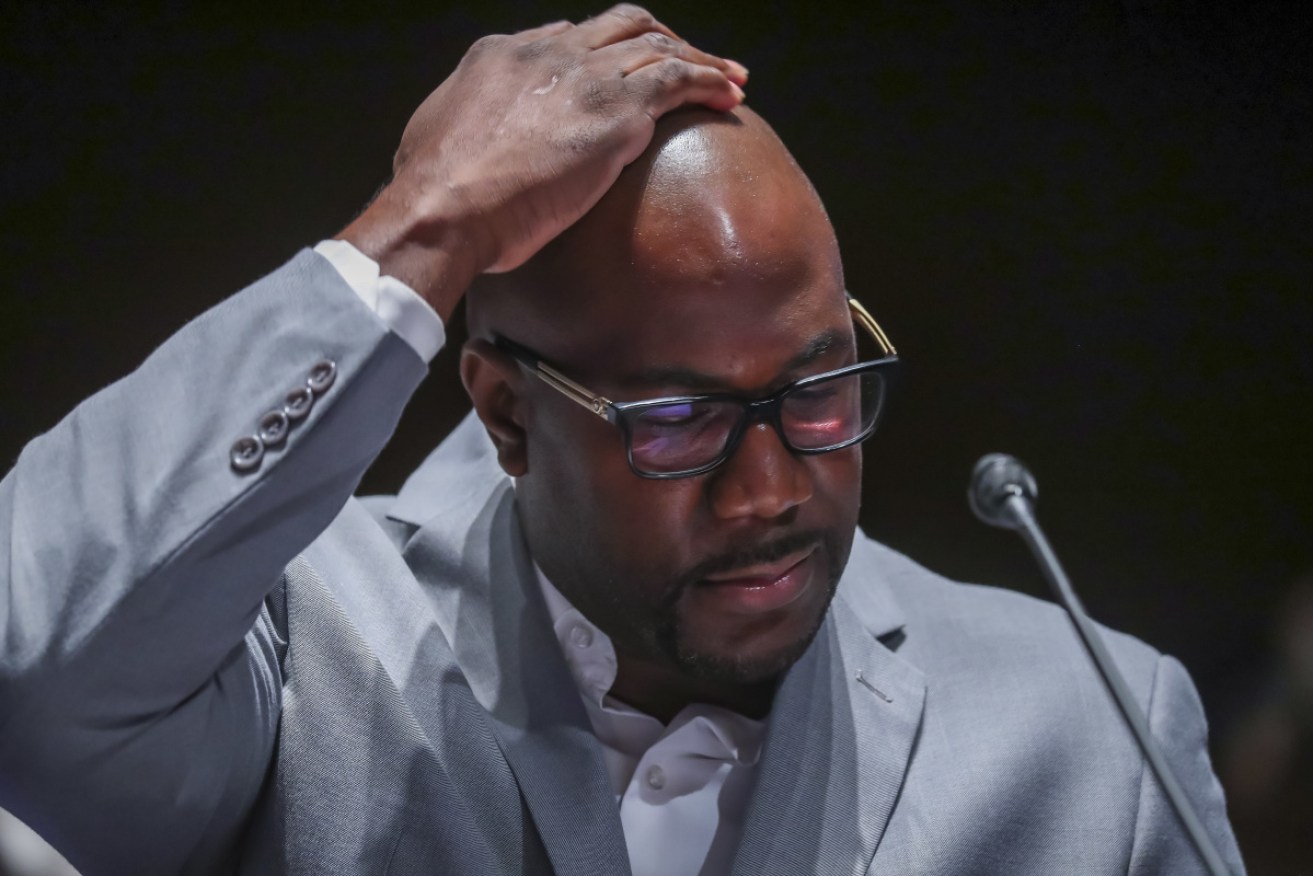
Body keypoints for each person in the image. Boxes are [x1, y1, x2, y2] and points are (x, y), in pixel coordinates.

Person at [0, 6, 1244, 875]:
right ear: (503, 414)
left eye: (818, 390)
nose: (769, 489)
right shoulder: (294, 648)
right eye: (680, 419)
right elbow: (39, 663)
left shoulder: (1090, 730)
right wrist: (421, 231)